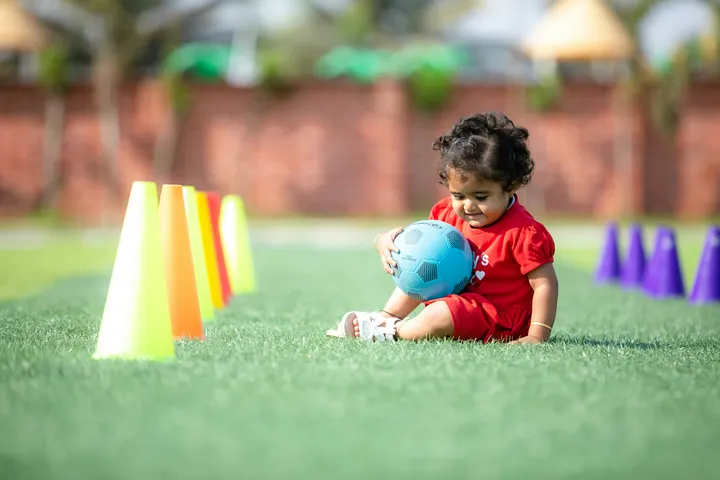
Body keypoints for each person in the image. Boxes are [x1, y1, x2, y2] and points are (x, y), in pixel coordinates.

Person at [326, 111, 559, 344]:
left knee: (440, 315)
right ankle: (385, 317)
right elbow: (416, 247)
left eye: (481, 196)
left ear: (511, 186)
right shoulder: (446, 213)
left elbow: (544, 284)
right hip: (456, 302)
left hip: (497, 317)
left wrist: (536, 335)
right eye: (458, 195)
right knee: (421, 263)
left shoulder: (524, 233)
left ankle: (392, 331)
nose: (468, 206)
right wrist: (383, 242)